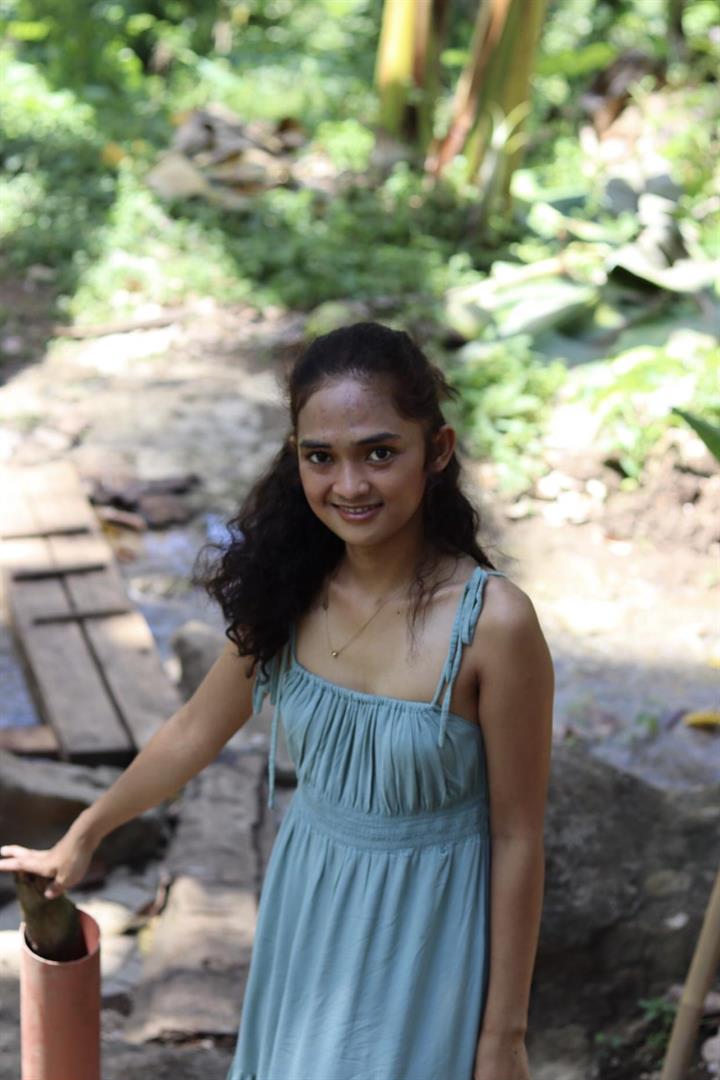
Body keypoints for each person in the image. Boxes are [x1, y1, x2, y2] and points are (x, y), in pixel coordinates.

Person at [0, 321, 554, 1080]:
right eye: (321, 457)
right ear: (295, 457)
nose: (349, 485)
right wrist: (86, 832)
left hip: (430, 930)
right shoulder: (289, 589)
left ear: (438, 451)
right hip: (312, 906)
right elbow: (195, 729)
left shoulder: (494, 625)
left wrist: (504, 1036)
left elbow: (519, 836)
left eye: (379, 453)